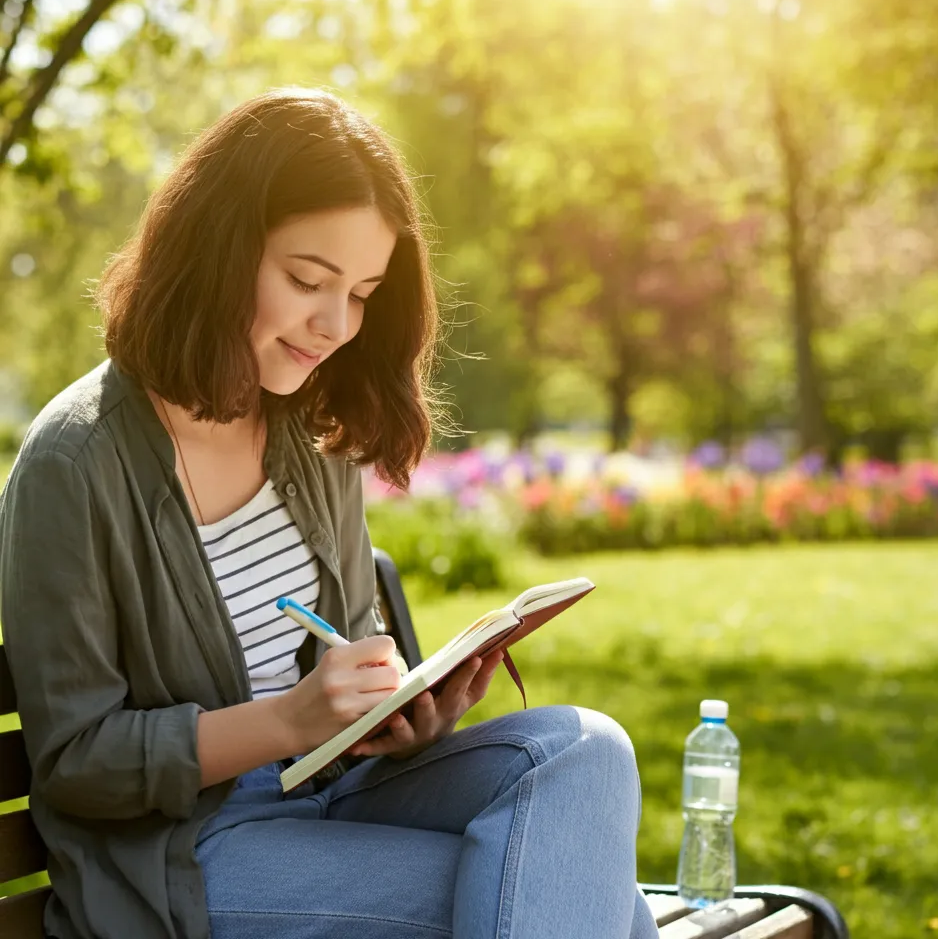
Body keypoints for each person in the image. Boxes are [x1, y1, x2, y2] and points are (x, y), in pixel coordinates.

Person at [0, 87, 659, 939]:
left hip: (335, 795)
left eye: (362, 292)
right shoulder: (74, 462)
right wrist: (287, 719)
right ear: (218, 251)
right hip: (186, 856)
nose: (336, 325)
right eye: (308, 281)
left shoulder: (310, 436)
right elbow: (75, 763)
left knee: (585, 751)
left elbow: (340, 666)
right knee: (572, 895)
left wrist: (399, 715)